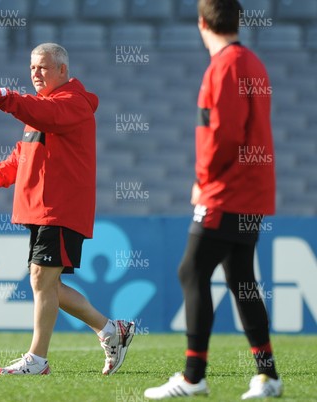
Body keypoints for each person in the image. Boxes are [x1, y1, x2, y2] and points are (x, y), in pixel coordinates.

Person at [0, 43, 135, 376]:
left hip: (59, 207)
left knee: (42, 279)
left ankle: (37, 359)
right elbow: (24, 152)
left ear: (62, 70)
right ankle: (112, 330)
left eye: (43, 67)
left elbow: (41, 115)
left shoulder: (72, 103)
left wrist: (2, 95)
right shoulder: (42, 107)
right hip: (40, 208)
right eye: (32, 68)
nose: (35, 73)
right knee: (46, 283)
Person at [144, 0, 281, 399]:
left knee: (191, 271)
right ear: (238, 20)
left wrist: (202, 181)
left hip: (226, 190)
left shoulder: (223, 67)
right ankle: (268, 374)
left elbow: (222, 134)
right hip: (253, 191)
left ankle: (193, 376)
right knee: (241, 279)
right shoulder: (253, 63)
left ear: (202, 23)